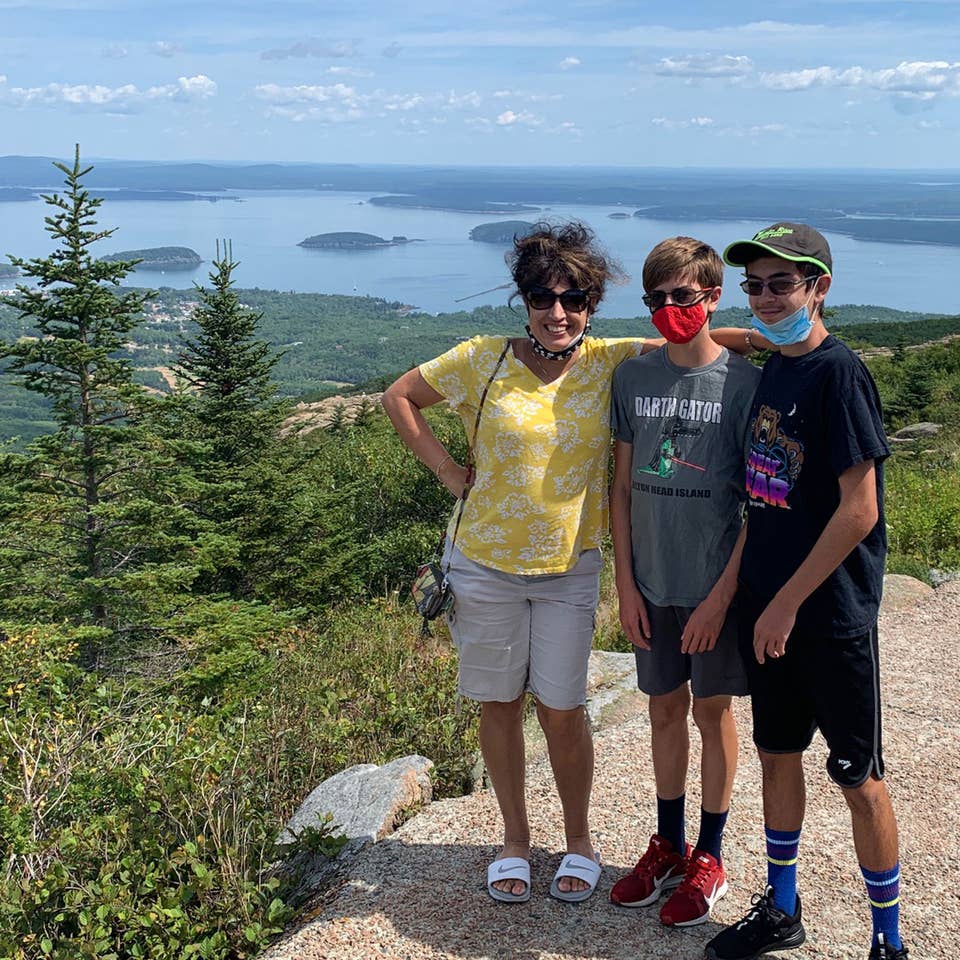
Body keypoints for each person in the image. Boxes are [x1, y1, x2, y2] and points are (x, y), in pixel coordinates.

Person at [382, 222, 758, 905]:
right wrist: (446, 469)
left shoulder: (611, 360)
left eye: (575, 298)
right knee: (498, 706)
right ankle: (516, 841)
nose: (559, 312)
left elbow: (694, 345)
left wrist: (771, 340)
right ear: (523, 301)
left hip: (568, 570)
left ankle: (580, 841)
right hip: (483, 565)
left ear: (592, 304)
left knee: (563, 708)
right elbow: (398, 397)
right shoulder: (480, 358)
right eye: (542, 297)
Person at [704, 223, 907, 960]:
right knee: (777, 754)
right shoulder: (778, 365)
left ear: (821, 287)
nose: (764, 297)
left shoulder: (839, 374)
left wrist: (786, 601)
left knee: (859, 777)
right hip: (769, 611)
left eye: (781, 284)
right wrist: (680, 341)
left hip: (828, 616)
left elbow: (861, 509)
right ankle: (782, 908)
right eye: (753, 285)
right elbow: (769, 499)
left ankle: (888, 939)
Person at [608, 237, 760, 928]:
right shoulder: (633, 378)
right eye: (657, 299)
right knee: (663, 709)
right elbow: (620, 489)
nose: (671, 309)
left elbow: (761, 505)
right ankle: (667, 845)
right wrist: (627, 587)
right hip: (651, 583)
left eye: (684, 297)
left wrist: (722, 596)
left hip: (712, 587)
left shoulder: (747, 386)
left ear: (711, 296)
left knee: (713, 712)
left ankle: (712, 854)